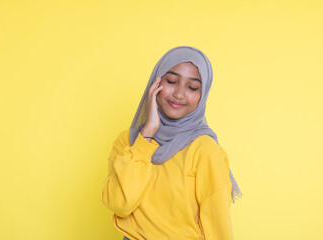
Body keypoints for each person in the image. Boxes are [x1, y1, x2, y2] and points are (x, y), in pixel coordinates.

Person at [101, 46, 242, 240]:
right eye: (171, 81)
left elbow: (217, 226)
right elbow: (120, 203)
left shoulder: (205, 150)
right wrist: (147, 135)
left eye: (192, 87)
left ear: (203, 96)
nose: (179, 94)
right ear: (155, 82)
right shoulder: (128, 142)